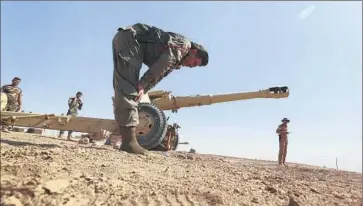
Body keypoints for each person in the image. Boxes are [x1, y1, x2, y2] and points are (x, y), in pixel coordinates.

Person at [112, 23, 209, 154]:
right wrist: (142, 83)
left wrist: (143, 88)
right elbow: (163, 63)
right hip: (131, 40)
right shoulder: (184, 46)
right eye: (195, 63)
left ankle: (128, 141)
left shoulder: (178, 60)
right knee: (127, 88)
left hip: (128, 40)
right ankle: (129, 143)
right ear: (194, 51)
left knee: (129, 88)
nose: (192, 66)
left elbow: (160, 75)